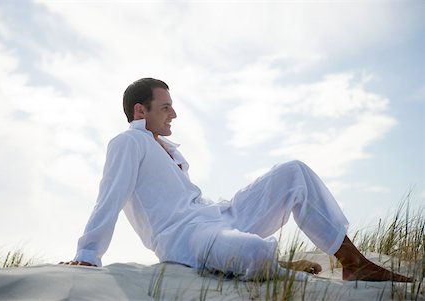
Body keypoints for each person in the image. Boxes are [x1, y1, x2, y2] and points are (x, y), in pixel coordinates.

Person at [61, 78, 411, 282]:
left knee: (294, 172)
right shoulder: (129, 141)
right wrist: (88, 252)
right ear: (141, 111)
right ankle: (277, 264)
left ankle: (354, 263)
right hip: (186, 237)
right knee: (254, 252)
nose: (174, 113)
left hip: (218, 214)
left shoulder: (166, 149)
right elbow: (109, 194)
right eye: (165, 106)